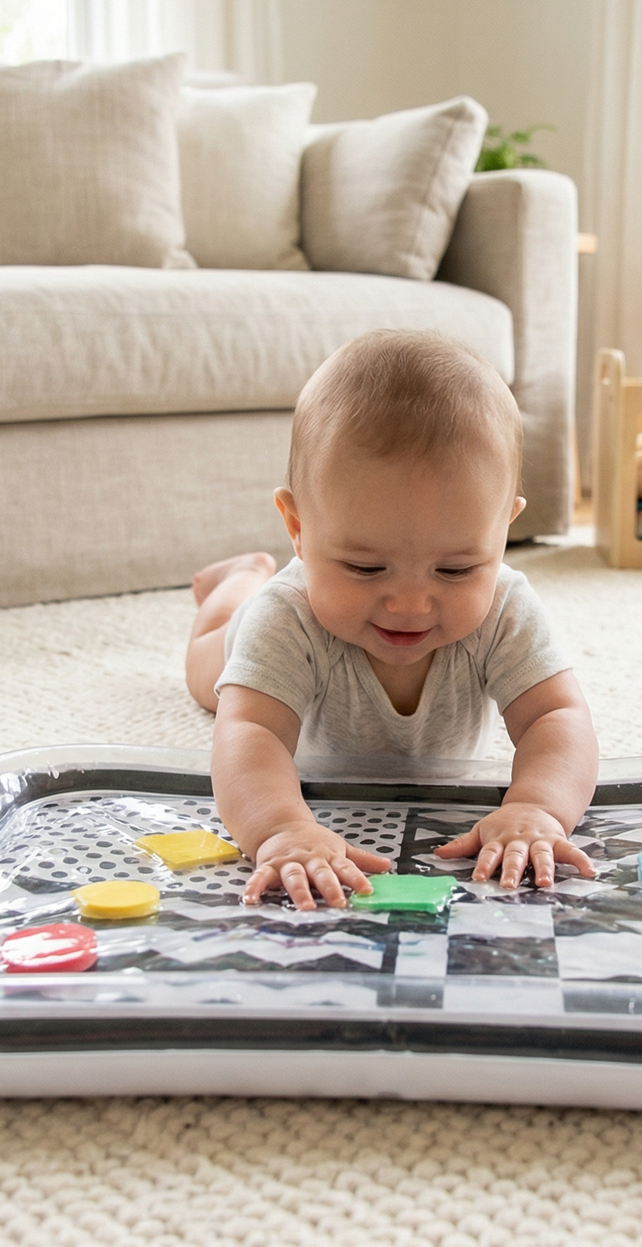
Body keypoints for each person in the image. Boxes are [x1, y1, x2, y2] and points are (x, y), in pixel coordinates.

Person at [185, 329, 599, 911]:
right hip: (250, 630)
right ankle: (237, 582)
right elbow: (248, 733)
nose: (409, 604)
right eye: (364, 566)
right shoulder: (287, 619)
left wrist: (537, 806)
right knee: (208, 675)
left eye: (455, 569)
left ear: (504, 528)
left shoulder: (505, 609)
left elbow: (556, 715)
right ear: (297, 526)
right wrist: (279, 828)